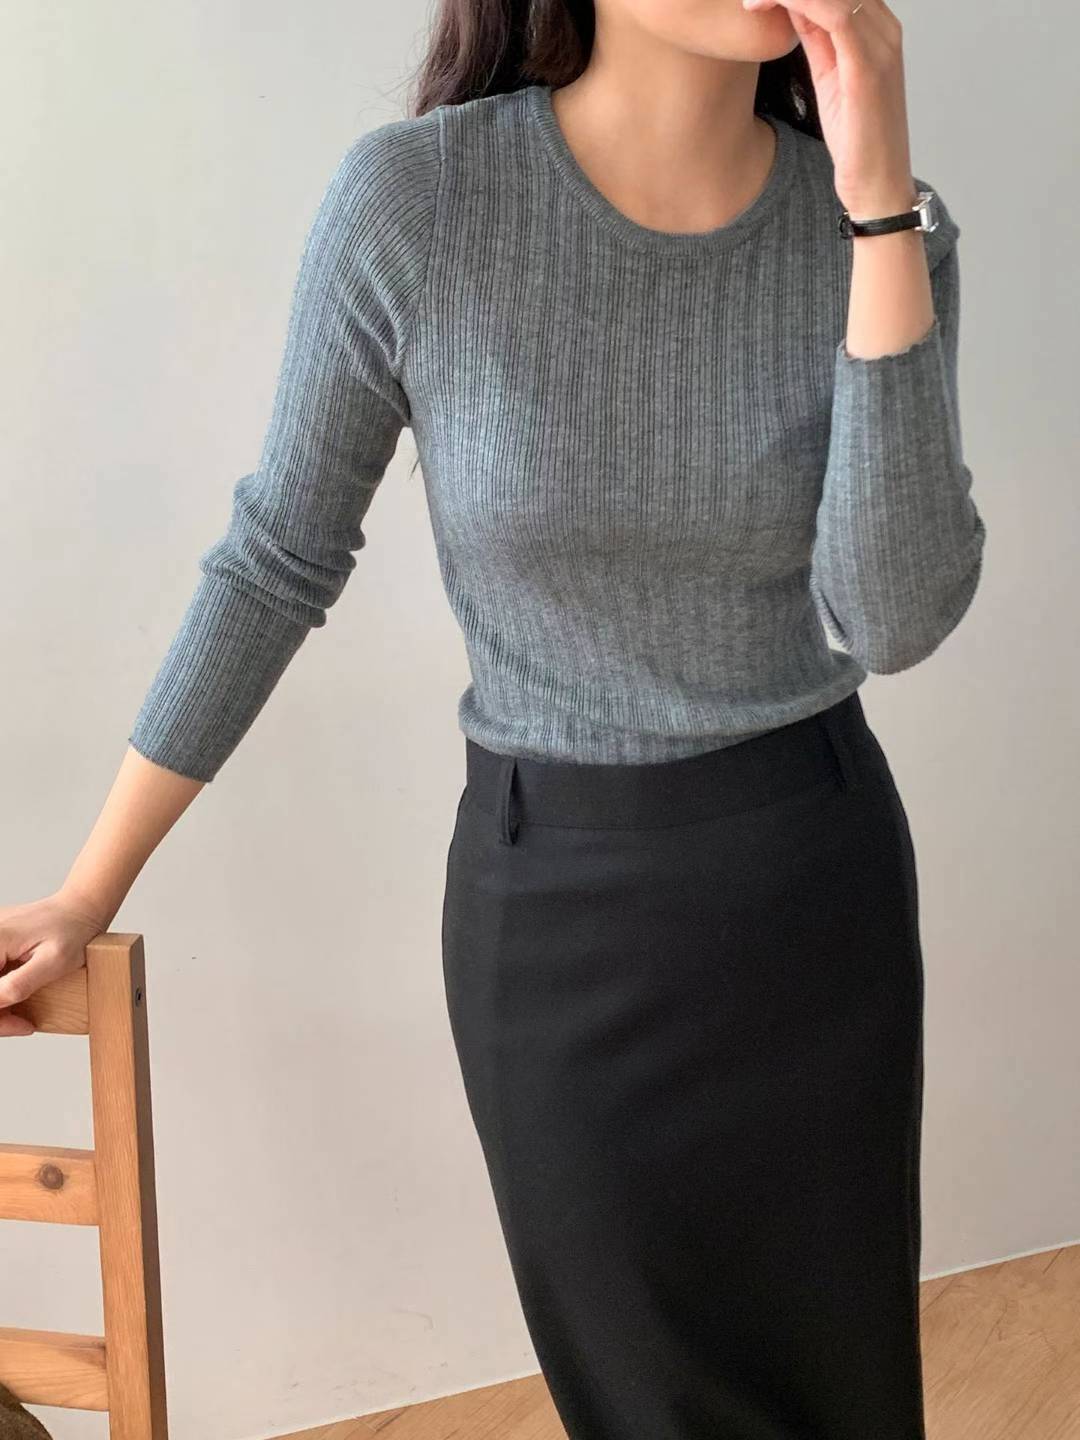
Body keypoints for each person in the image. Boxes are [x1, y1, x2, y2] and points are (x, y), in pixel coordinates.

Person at [0, 1, 986, 1436]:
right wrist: (91, 888)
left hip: (812, 895)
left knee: (847, 1395)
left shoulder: (884, 229)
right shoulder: (419, 203)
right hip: (556, 920)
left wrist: (878, 207)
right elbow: (278, 559)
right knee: (645, 1402)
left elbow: (892, 617)